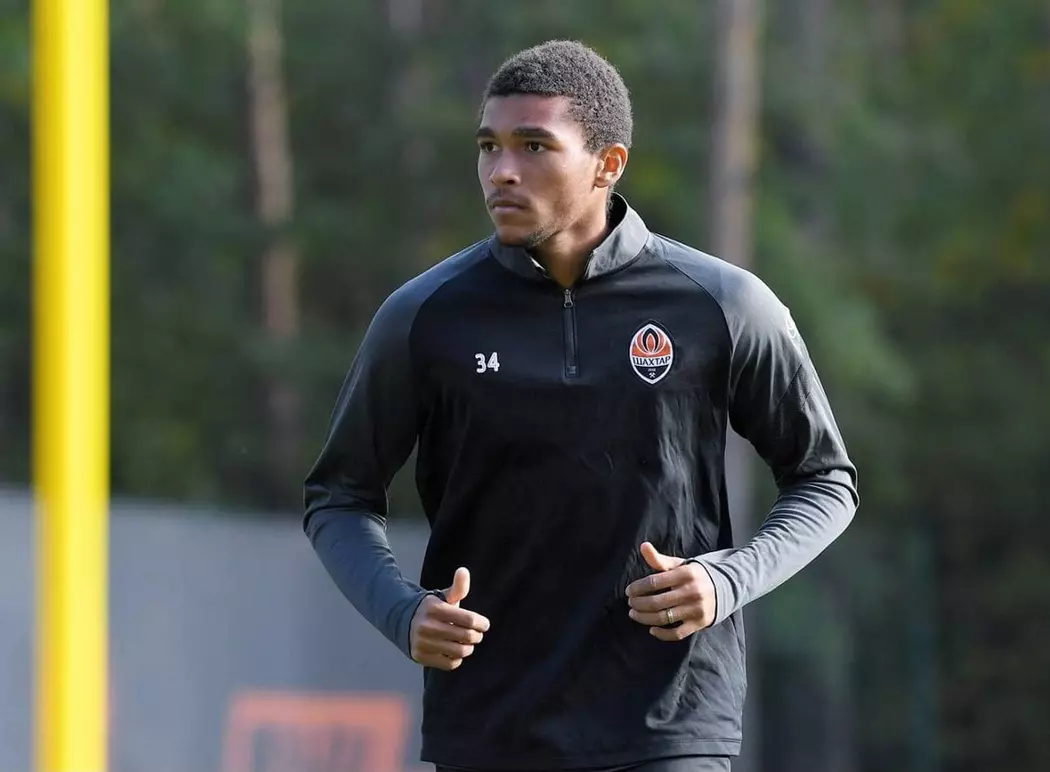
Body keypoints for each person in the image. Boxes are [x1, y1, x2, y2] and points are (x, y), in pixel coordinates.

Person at [303, 39, 859, 772]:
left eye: (534, 146)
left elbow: (824, 480)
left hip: (670, 727)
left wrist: (726, 580)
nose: (502, 171)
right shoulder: (423, 316)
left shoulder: (723, 304)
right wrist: (403, 612)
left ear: (608, 164)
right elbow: (338, 496)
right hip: (491, 730)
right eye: (489, 146)